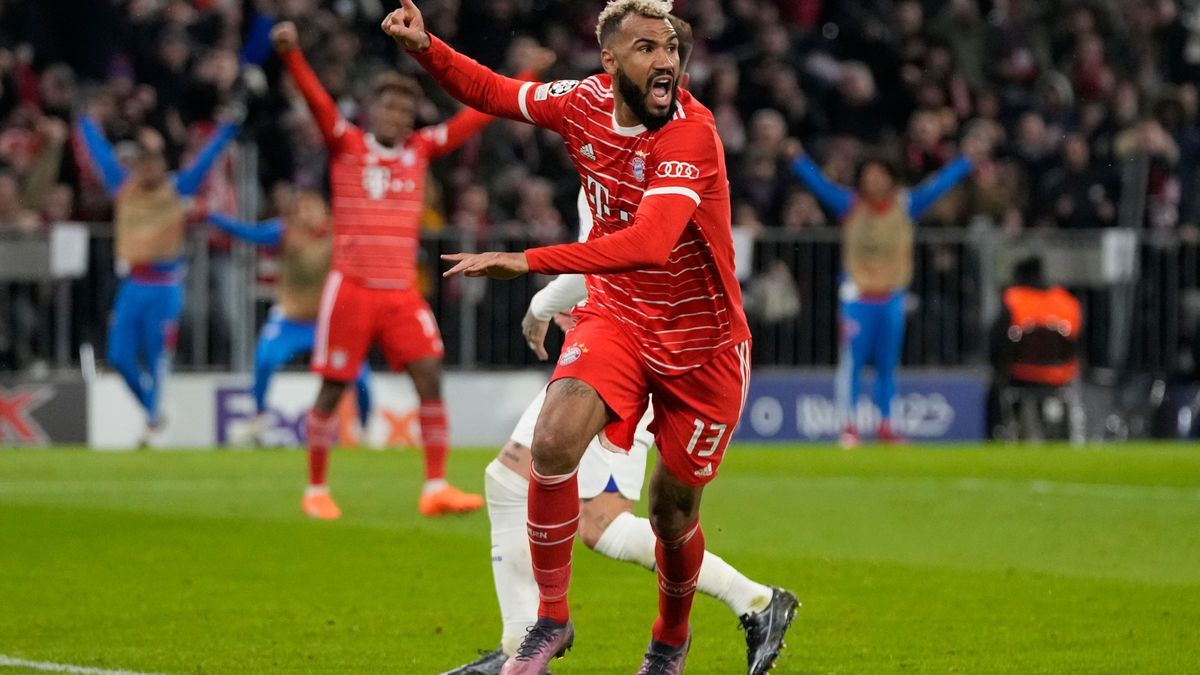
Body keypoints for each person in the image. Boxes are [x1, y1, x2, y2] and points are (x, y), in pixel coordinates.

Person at [386, 1, 760, 671]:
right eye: (647, 47)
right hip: (617, 317)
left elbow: (648, 243)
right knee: (551, 441)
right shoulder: (580, 100)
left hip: (700, 344)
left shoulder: (689, 133)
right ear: (610, 60)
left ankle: (670, 640)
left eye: (671, 47)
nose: (666, 59)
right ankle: (550, 622)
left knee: (672, 513)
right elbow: (495, 92)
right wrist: (426, 48)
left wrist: (528, 261)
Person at [448, 178, 797, 675]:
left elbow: (616, 258)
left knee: (601, 521)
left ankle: (755, 601)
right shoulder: (597, 149)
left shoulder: (642, 168)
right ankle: (519, 645)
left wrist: (540, 304)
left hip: (644, 355)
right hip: (606, 343)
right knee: (512, 481)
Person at [270, 22, 545, 519]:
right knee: (334, 387)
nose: (396, 115)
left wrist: (526, 74)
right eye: (389, 106)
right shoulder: (346, 143)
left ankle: (435, 485)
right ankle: (315, 490)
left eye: (404, 108)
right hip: (351, 287)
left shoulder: (421, 150)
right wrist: (291, 56)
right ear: (373, 111)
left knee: (430, 377)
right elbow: (316, 102)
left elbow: (478, 113)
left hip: (400, 291)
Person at [788, 136, 986, 448]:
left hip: (891, 297)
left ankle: (886, 424)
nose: (874, 181)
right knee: (851, 364)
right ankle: (849, 425)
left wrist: (964, 162)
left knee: (887, 365)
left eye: (880, 175)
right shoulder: (850, 205)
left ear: (890, 177)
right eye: (869, 175)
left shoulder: (905, 206)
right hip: (856, 298)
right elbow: (821, 187)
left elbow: (937, 188)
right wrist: (798, 161)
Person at [80, 110, 238, 447]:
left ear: (162, 166)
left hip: (165, 287)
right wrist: (84, 121)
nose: (147, 170)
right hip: (133, 285)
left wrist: (227, 129)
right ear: (136, 167)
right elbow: (100, 153)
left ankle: (152, 424)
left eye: (153, 164)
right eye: (142, 164)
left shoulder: (177, 188)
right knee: (120, 357)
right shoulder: (123, 187)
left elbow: (207, 159)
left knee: (157, 358)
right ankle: (155, 413)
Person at [205, 191, 372, 446]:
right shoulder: (284, 232)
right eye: (302, 208)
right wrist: (212, 217)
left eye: (311, 207)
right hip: (290, 320)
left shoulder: (341, 234)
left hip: (328, 322)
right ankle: (258, 421)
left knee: (360, 375)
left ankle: (365, 429)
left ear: (325, 212)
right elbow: (248, 232)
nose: (306, 214)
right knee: (264, 361)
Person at [989, 256, 1084, 443]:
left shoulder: (1013, 299)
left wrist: (1000, 368)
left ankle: (997, 433)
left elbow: (996, 343)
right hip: (1059, 376)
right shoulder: (1067, 303)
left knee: (994, 388)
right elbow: (1077, 343)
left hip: (1021, 374)